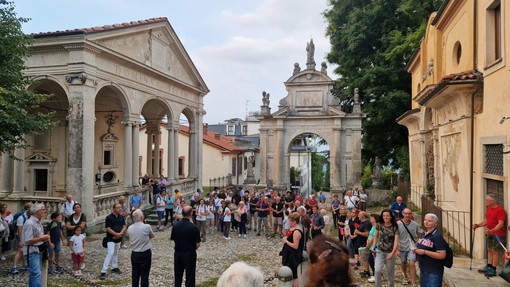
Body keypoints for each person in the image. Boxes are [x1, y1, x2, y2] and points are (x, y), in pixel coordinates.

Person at [473, 193, 507, 277]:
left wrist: (491, 231)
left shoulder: (500, 210)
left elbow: (501, 224)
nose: (485, 201)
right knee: (489, 250)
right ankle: (489, 266)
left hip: (498, 235)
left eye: (487, 200)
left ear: (493, 200)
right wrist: (478, 225)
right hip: (490, 233)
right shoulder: (488, 208)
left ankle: (493, 269)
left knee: (495, 251)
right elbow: (486, 220)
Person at [414, 213, 447, 287]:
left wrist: (424, 252)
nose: (426, 222)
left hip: (433, 271)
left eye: (429, 221)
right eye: (425, 220)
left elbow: (442, 255)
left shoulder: (437, 236)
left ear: (435, 223)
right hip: (423, 268)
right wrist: (416, 250)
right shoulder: (424, 234)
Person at [170, 206, 201, 287]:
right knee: (190, 275)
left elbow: (173, 239)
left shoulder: (175, 226)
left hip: (178, 253)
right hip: (189, 253)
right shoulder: (194, 227)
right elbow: (198, 244)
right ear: (191, 213)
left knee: (178, 274)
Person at [23, 203, 50, 287]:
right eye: (43, 210)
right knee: (36, 273)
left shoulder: (38, 222)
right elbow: (28, 240)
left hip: (39, 250)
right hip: (32, 251)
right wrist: (42, 238)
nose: (44, 211)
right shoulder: (30, 223)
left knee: (35, 274)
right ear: (37, 211)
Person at [127, 209, 155, 287]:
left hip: (135, 253)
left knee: (135, 274)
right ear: (142, 217)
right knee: (145, 274)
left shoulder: (130, 228)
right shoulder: (147, 227)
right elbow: (152, 235)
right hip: (145, 253)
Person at [99, 203, 126, 280]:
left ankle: (114, 267)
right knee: (110, 253)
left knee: (116, 253)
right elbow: (108, 228)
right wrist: (116, 234)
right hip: (111, 238)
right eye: (118, 207)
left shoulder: (121, 217)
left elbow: (124, 226)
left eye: (120, 207)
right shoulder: (109, 217)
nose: (120, 209)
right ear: (114, 209)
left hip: (118, 238)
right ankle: (103, 271)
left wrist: (120, 233)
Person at [373, 209, 399, 287]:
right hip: (380, 251)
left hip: (390, 252)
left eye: (387, 215)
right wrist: (374, 245)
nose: (385, 217)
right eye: (384, 215)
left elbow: (396, 241)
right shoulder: (379, 225)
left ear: (391, 216)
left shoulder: (395, 227)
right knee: (377, 270)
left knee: (390, 272)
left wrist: (393, 252)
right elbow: (375, 235)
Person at [280, 212, 304, 287]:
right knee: (292, 273)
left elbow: (295, 246)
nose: (289, 222)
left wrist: (286, 241)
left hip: (293, 256)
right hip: (289, 253)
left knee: (294, 274)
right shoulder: (294, 228)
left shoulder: (297, 232)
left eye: (290, 221)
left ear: (294, 221)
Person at [397, 208, 419, 286]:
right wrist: (396, 250)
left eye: (409, 213)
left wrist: (418, 245)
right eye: (406, 213)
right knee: (403, 262)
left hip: (412, 247)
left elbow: (418, 235)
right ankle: (405, 277)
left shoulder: (415, 224)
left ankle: (413, 282)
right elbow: (396, 237)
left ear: (411, 214)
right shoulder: (398, 224)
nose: (407, 215)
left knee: (412, 263)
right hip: (401, 246)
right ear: (402, 213)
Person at [11, 202, 32, 274]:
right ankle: (14, 267)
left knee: (25, 251)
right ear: (28, 209)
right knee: (20, 250)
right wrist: (21, 240)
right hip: (21, 237)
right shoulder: (21, 217)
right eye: (32, 207)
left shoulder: (30, 216)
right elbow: (19, 230)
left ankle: (25, 265)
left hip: (27, 236)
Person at [354, 211, 372, 278]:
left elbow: (367, 234)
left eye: (359, 214)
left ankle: (367, 272)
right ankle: (365, 270)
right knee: (363, 258)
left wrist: (358, 232)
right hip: (360, 242)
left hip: (365, 243)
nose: (358, 216)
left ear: (363, 216)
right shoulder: (362, 223)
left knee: (365, 258)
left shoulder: (367, 223)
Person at [365, 213, 380, 283]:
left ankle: (376, 275)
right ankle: (375, 274)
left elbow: (374, 236)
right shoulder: (373, 226)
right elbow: (370, 234)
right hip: (370, 245)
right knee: (371, 259)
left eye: (371, 218)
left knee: (372, 260)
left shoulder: (377, 226)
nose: (370, 219)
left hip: (375, 245)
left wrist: (369, 243)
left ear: (375, 219)